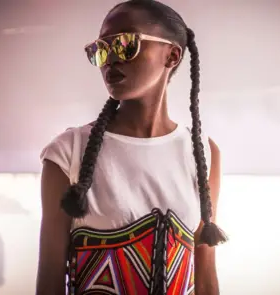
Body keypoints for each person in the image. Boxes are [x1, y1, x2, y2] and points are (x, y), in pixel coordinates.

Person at [37, 1, 227, 294]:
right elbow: (49, 282)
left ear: (172, 55)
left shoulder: (202, 153)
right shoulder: (68, 153)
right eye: (100, 49)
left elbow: (205, 279)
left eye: (125, 44)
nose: (110, 59)